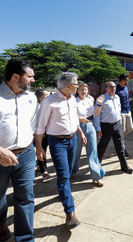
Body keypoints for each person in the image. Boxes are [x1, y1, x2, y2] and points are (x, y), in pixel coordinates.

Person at [35, 72, 87, 230]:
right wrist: (39, 147)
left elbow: (74, 119)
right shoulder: (49, 102)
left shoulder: (72, 99)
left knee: (70, 171)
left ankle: (63, 194)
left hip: (73, 139)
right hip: (57, 142)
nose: (78, 86)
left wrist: (80, 133)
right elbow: (40, 126)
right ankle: (70, 213)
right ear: (68, 86)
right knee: (63, 175)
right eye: (76, 84)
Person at [0, 59, 38, 242]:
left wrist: (36, 148)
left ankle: (25, 238)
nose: (33, 80)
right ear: (16, 77)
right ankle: (0, 224)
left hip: (26, 155)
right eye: (30, 76)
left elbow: (32, 126)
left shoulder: (31, 98)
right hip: (0, 156)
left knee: (25, 198)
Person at [94, 82, 133, 174]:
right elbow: (97, 115)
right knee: (102, 147)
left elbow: (118, 110)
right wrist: (98, 128)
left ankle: (124, 166)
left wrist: (119, 122)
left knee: (120, 146)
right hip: (106, 126)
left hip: (117, 125)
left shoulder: (117, 97)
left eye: (114, 87)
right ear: (106, 88)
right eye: (110, 87)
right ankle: (96, 167)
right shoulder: (102, 98)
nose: (112, 88)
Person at [71, 82, 105, 187]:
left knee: (92, 152)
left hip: (90, 126)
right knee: (76, 152)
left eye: (85, 89)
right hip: (77, 127)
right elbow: (70, 116)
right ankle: (73, 170)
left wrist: (99, 104)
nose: (84, 91)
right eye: (81, 89)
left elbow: (95, 114)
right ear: (77, 90)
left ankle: (97, 176)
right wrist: (79, 119)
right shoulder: (73, 101)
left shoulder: (90, 100)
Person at [115, 74, 133, 157]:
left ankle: (119, 138)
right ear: (123, 81)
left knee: (130, 128)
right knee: (122, 131)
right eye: (127, 80)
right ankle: (123, 148)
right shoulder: (116, 90)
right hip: (121, 113)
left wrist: (130, 110)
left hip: (127, 111)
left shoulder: (126, 88)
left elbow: (127, 100)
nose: (128, 81)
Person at [35, 88, 51, 181]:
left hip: (49, 130)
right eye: (46, 94)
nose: (48, 96)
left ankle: (39, 164)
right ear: (40, 97)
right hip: (39, 132)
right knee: (42, 149)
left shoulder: (49, 104)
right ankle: (44, 171)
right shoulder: (36, 107)